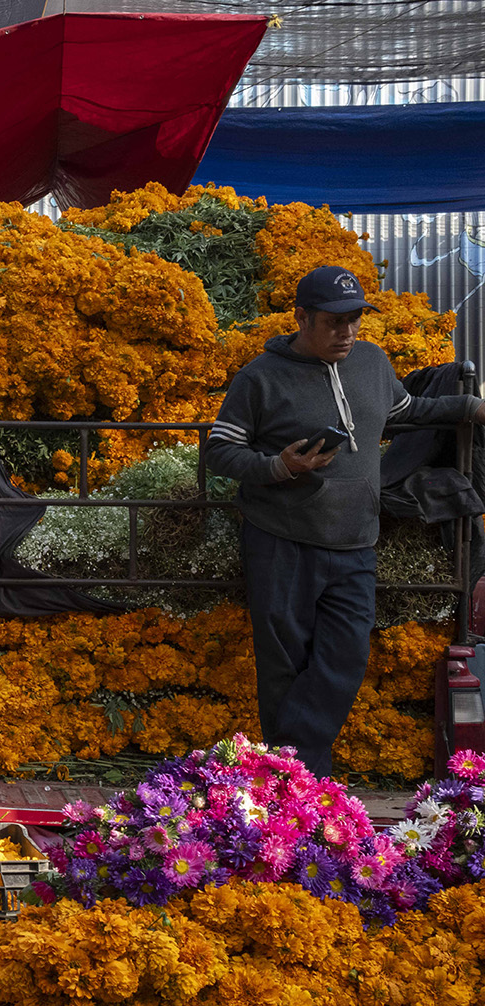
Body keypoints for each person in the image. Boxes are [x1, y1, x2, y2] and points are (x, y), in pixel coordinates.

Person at [205, 265, 485, 777]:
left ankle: (289, 775)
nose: (347, 332)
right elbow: (220, 451)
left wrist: (471, 406)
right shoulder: (259, 378)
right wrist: (279, 466)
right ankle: (303, 785)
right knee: (284, 667)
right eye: (334, 321)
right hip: (281, 541)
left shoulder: (372, 363)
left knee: (346, 659)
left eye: (355, 319)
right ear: (301, 318)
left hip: (356, 540)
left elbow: (406, 408)